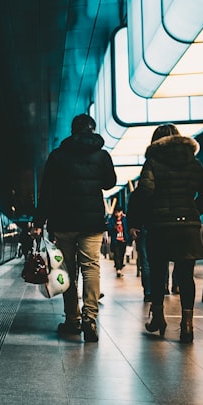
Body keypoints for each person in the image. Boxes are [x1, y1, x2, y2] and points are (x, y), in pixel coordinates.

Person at [32, 113, 116, 342]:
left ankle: (72, 320)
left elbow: (46, 192)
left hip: (64, 222)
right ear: (93, 129)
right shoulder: (102, 156)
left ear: (72, 130)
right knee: (91, 267)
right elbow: (109, 183)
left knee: (68, 272)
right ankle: (90, 317)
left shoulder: (58, 156)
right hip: (92, 223)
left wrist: (39, 222)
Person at [129, 124, 203, 343]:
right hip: (188, 226)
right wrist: (194, 209)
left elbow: (146, 191)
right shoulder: (193, 162)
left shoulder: (153, 162)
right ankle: (187, 326)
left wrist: (142, 217)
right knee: (186, 276)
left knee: (158, 274)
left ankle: (158, 318)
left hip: (161, 227)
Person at [107, 204, 128, 277]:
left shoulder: (125, 219)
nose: (118, 214)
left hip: (123, 240)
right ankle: (118, 269)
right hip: (115, 240)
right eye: (116, 212)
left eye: (119, 212)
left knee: (122, 254)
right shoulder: (112, 219)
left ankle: (120, 267)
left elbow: (127, 228)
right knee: (117, 254)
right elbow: (108, 227)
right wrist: (114, 227)